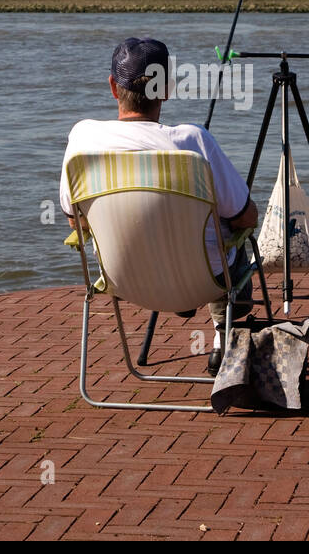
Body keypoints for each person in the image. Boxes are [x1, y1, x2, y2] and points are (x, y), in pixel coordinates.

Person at [58, 37, 257, 373]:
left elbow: (75, 222)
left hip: (124, 281)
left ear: (112, 87)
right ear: (166, 90)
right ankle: (223, 341)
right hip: (201, 280)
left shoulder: (83, 140)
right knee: (233, 242)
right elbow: (246, 216)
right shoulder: (192, 142)